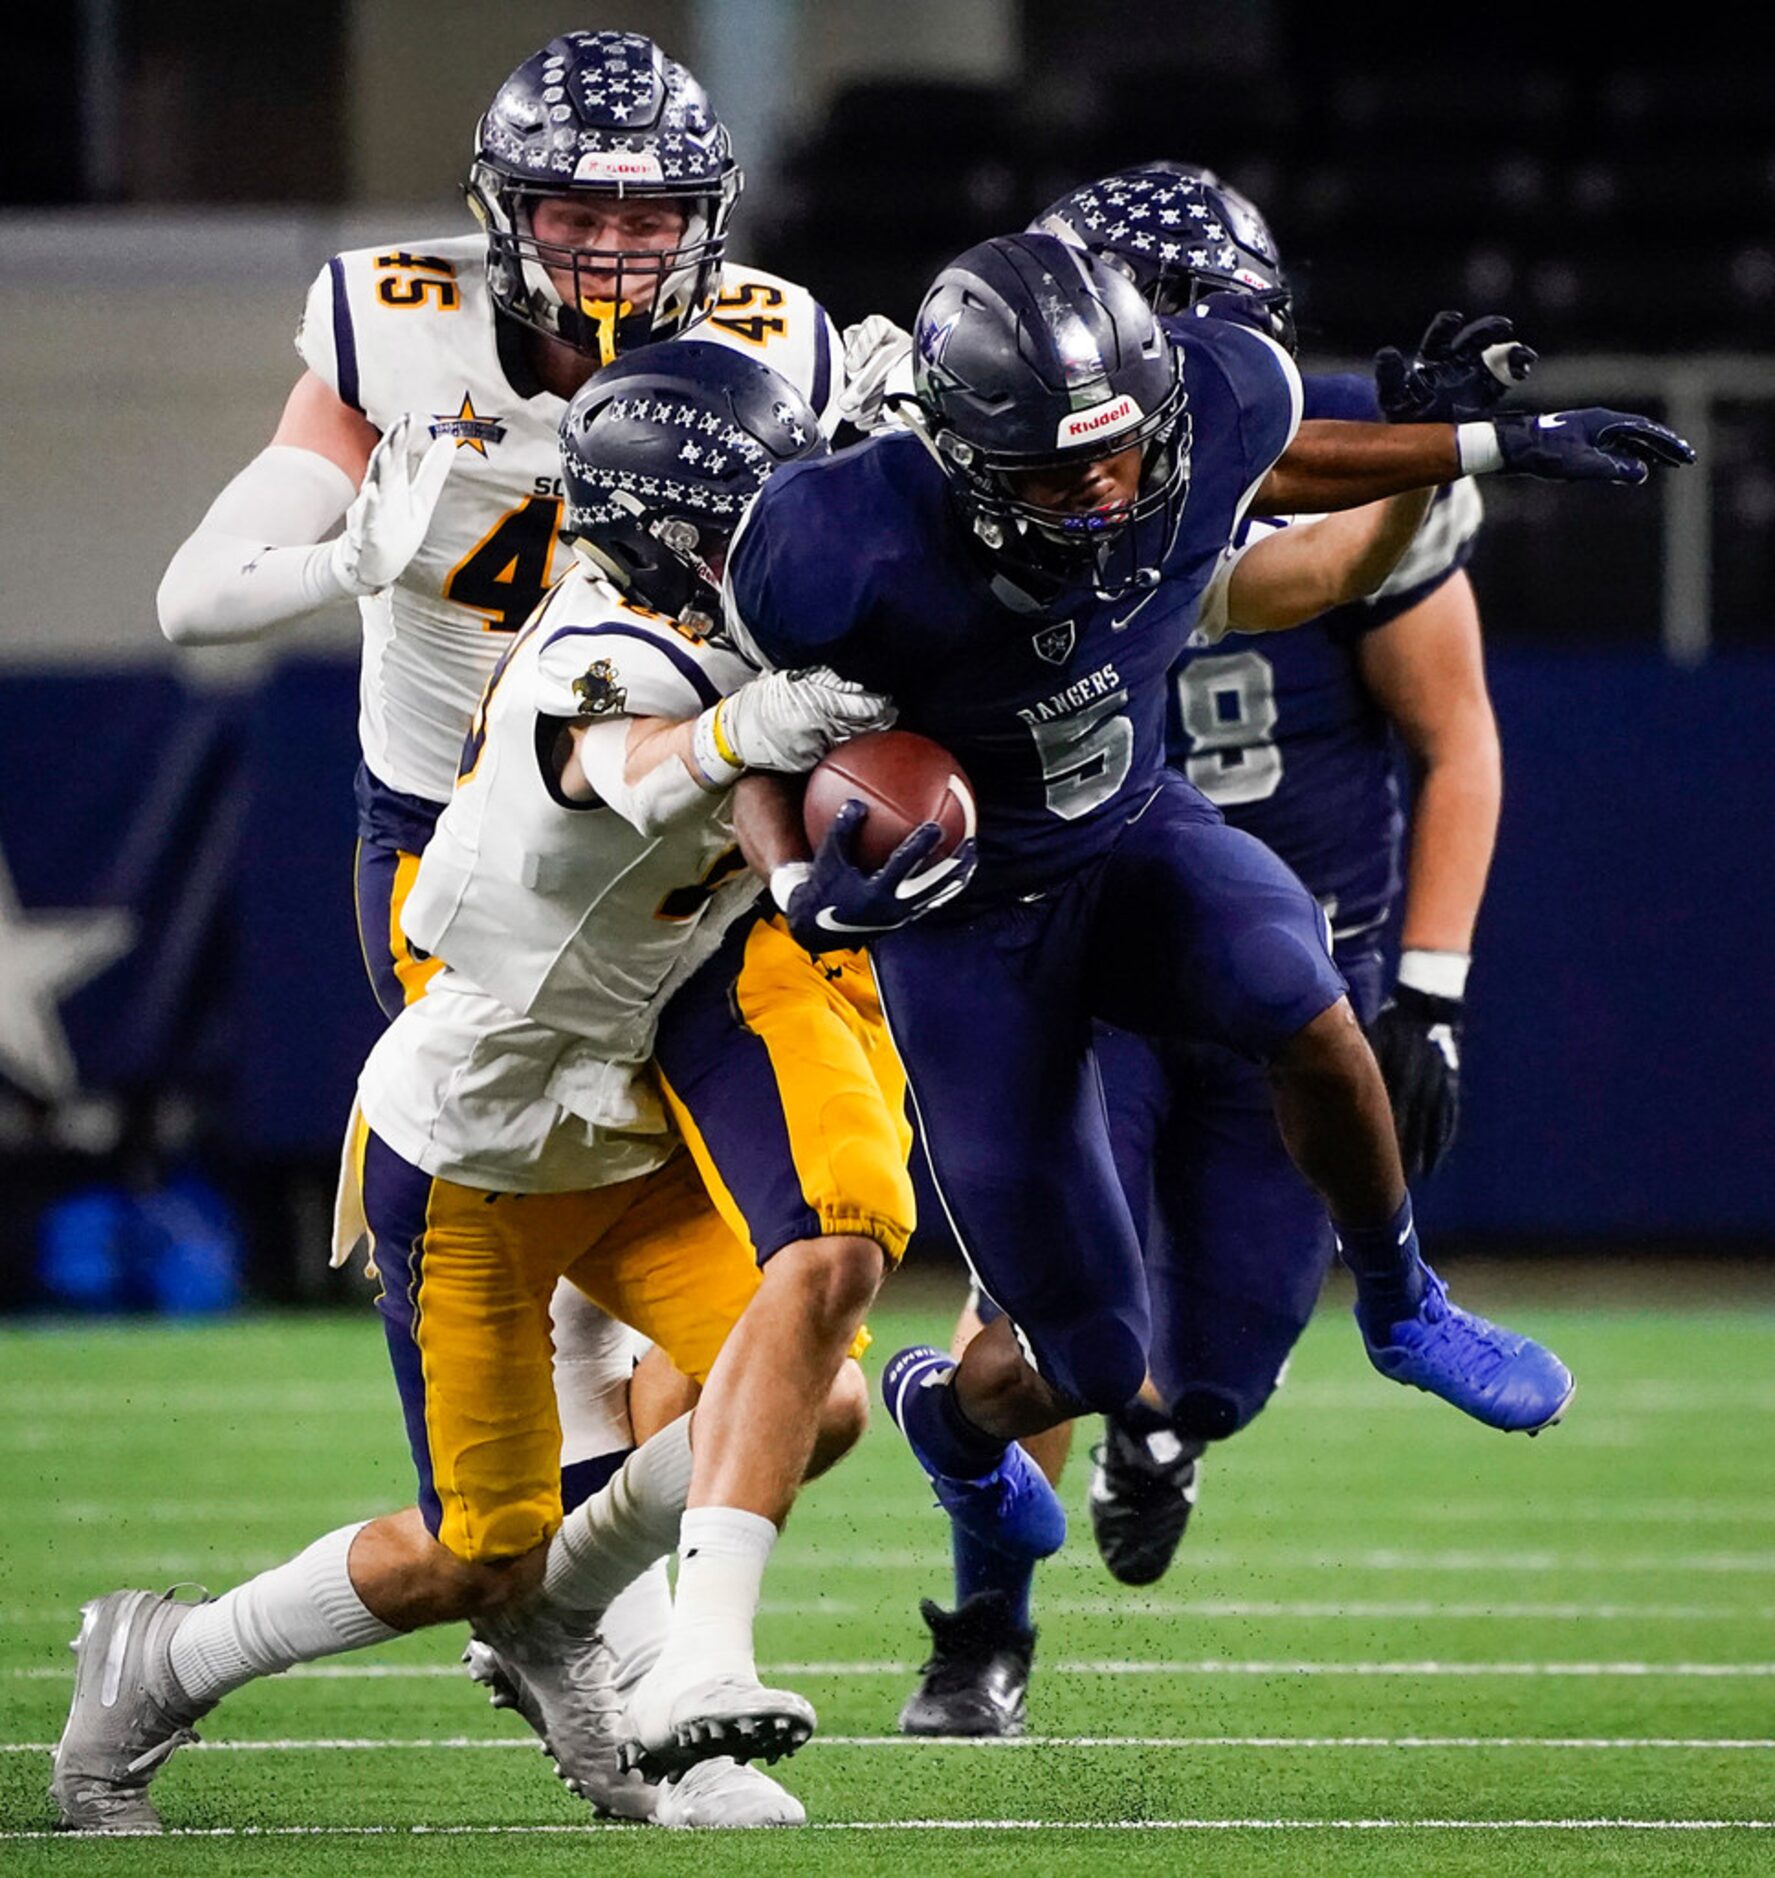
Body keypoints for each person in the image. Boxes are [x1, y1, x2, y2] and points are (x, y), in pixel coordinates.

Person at [715, 232, 1692, 1741]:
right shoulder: (837, 545)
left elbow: (1281, 450)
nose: (1105, 493)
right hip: (970, 927)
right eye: (1055, 471)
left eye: (1123, 452)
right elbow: (759, 747)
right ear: (959, 451)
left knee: (1296, 988)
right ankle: (949, 1428)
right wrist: (796, 883)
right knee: (1088, 1355)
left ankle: (1404, 1303)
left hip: (1136, 834)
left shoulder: (1200, 404)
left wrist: (1493, 442)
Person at [52, 346, 928, 1835]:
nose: (773, 549)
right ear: (660, 531)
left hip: (624, 1123)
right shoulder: (596, 643)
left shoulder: (704, 619)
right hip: (478, 1148)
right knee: (480, 1548)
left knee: (816, 1390)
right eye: (745, 520)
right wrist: (776, 729)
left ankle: (565, 1623)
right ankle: (169, 1655)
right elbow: (635, 767)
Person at [150, 29, 846, 1817]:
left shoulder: (781, 336)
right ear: (498, 213)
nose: (613, 253)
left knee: (793, 1254)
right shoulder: (397, 328)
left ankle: (638, 1643)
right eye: (571, 211)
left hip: (702, 825)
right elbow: (196, 596)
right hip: (476, 840)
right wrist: (350, 556)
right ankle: (587, 1647)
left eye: (646, 218)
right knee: (566, 1240)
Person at [899, 165, 1519, 1733]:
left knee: (1223, 1368)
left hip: (1286, 966)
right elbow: (1268, 573)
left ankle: (1166, 1428)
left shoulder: (1325, 454)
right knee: (1051, 1322)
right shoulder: (1026, 491)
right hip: (1092, 942)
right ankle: (985, 1625)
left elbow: (1451, 733)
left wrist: (1429, 997)